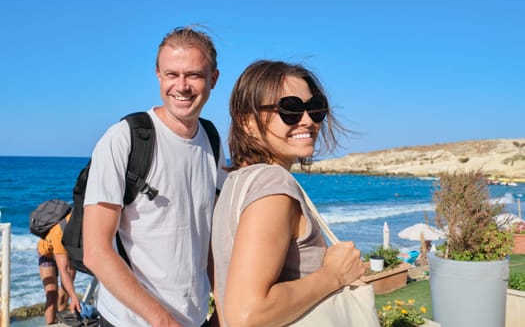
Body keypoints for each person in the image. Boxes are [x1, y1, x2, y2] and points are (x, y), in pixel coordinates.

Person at [83, 26, 227, 327]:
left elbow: (210, 237)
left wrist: (224, 307)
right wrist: (163, 321)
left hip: (196, 317)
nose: (182, 86)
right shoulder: (125, 138)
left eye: (194, 75)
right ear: (158, 76)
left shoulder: (212, 140)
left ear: (213, 78)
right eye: (172, 74)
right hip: (132, 321)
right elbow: (96, 252)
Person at [212, 60, 367, 326]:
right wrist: (335, 275)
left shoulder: (236, 182)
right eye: (290, 109)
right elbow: (247, 314)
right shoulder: (273, 184)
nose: (307, 121)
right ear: (246, 121)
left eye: (315, 109)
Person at [37, 209, 81, 324]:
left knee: (66, 291)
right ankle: (50, 324)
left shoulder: (81, 220)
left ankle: (61, 322)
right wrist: (74, 296)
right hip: (47, 255)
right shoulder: (59, 232)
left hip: (68, 252)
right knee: (52, 294)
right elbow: (64, 270)